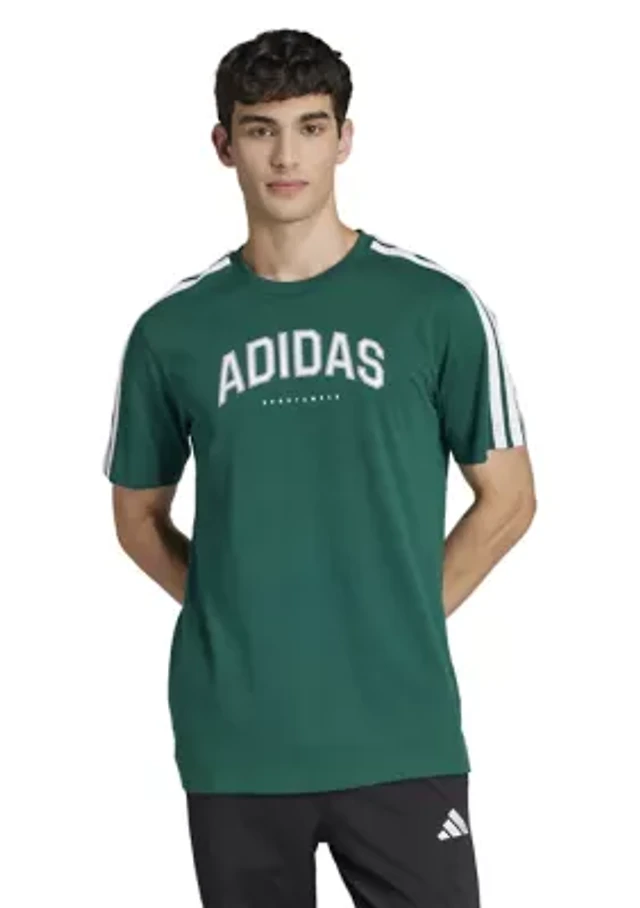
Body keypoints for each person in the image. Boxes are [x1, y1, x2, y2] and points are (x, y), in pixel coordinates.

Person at [103, 27, 536, 908]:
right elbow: (137, 517)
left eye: (310, 127)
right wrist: (240, 614)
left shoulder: (435, 308)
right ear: (224, 144)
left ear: (344, 139)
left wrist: (400, 615)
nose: (285, 155)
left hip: (401, 731)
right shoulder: (171, 331)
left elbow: (509, 499)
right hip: (238, 740)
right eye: (260, 129)